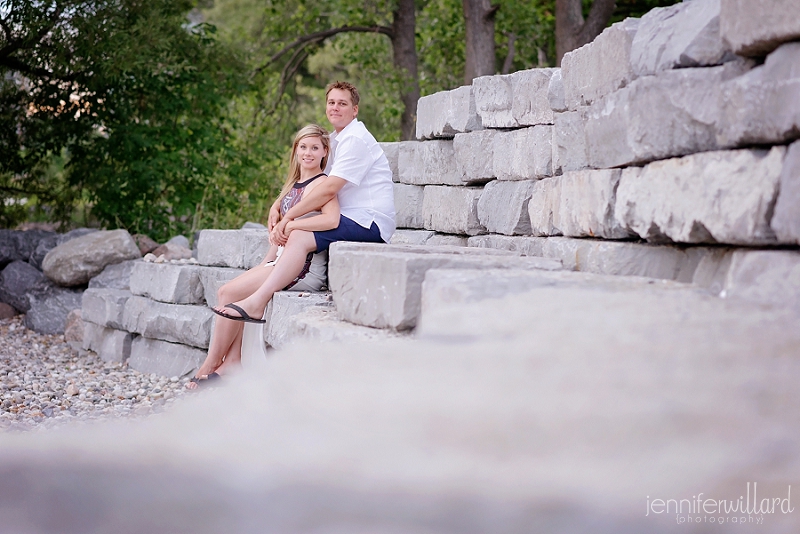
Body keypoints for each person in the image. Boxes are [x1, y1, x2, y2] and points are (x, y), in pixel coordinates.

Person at [188, 81, 396, 387]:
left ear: (355, 109)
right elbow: (301, 185)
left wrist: (290, 218)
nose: (335, 107)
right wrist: (279, 207)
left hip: (370, 222)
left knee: (297, 234)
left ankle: (257, 303)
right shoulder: (339, 140)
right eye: (331, 102)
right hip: (353, 217)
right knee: (235, 286)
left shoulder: (355, 141)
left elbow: (327, 188)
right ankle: (229, 363)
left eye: (342, 103)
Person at [187, 124, 338, 389]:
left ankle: (210, 365)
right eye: (303, 147)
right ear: (295, 150)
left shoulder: (322, 184)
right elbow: (276, 237)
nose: (308, 153)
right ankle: (231, 362)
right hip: (279, 260)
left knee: (226, 293)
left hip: (303, 266)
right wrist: (263, 265)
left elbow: (331, 219)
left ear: (325, 151)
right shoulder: (292, 186)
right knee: (228, 292)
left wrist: (292, 225)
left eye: (315, 148)